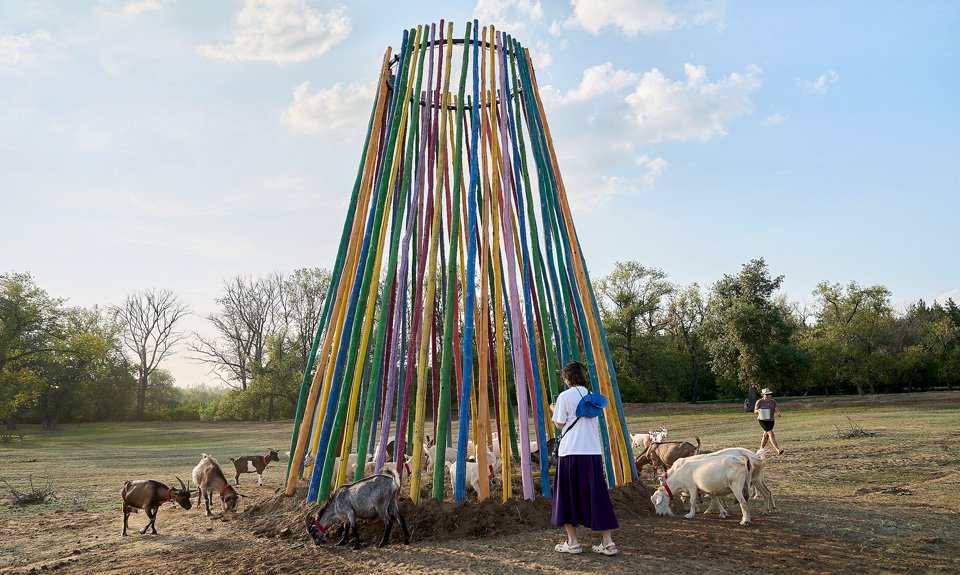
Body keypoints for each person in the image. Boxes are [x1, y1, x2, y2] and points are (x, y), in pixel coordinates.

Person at [549, 361, 619, 556]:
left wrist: (554, 409)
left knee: (567, 496)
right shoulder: (592, 397)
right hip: (592, 452)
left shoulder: (564, 397)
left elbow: (560, 424)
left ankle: (573, 542)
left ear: (568, 378)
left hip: (570, 452)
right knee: (598, 495)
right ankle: (608, 542)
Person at [754, 388, 784, 454]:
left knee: (766, 435)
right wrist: (758, 411)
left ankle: (760, 450)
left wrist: (778, 413)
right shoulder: (759, 401)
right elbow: (755, 411)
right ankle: (777, 449)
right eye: (766, 395)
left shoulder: (773, 401)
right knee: (771, 433)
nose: (768, 396)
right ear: (763, 395)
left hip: (771, 420)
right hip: (762, 420)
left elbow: (776, 408)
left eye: (769, 394)